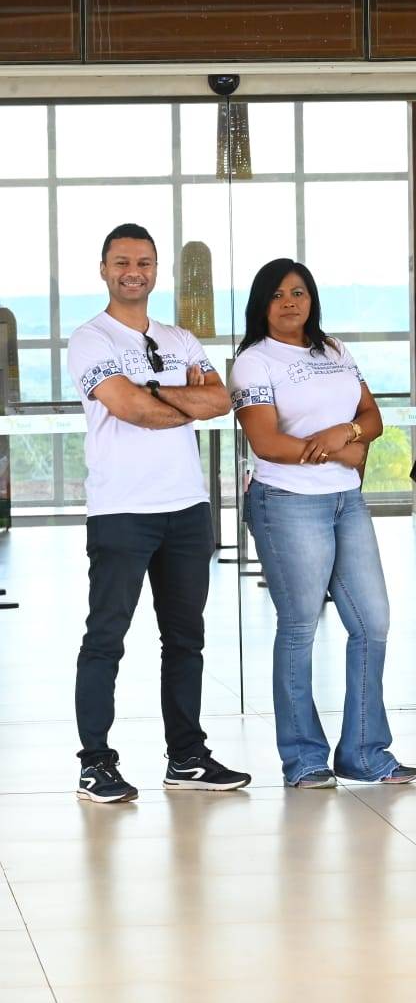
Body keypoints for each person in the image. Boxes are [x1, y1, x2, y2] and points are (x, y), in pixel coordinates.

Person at [67, 223, 251, 803]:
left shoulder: (180, 338)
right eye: (122, 262)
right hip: (122, 511)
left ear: (156, 270)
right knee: (106, 638)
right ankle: (95, 764)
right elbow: (129, 409)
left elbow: (220, 400)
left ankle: (187, 758)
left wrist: (151, 391)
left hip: (186, 510)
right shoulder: (90, 339)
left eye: (144, 262)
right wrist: (176, 398)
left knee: (186, 639)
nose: (134, 272)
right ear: (104, 269)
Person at [231, 259, 416, 788]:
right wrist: (341, 451)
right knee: (299, 627)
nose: (289, 302)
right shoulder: (253, 361)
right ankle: (303, 759)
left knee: (372, 622)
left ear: (312, 299)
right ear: (261, 305)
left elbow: (372, 418)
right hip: (286, 502)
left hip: (345, 502)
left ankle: (364, 752)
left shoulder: (334, 350)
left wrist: (346, 432)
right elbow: (267, 442)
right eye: (277, 295)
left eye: (299, 292)